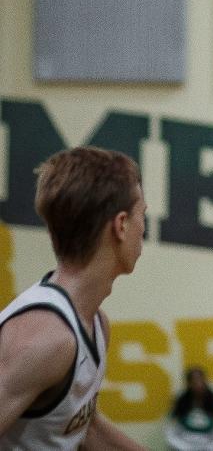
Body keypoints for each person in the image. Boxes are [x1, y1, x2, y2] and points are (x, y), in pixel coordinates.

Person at [0, 146, 147, 450]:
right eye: (142, 215)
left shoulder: (93, 323)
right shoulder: (45, 339)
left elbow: (84, 428)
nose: (143, 228)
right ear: (121, 225)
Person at [165, 367, 213, 451]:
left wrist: (212, 448)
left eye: (201, 380)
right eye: (194, 381)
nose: (198, 384)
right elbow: (170, 431)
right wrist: (184, 447)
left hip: (209, 446)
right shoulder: (181, 402)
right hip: (184, 446)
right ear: (188, 383)